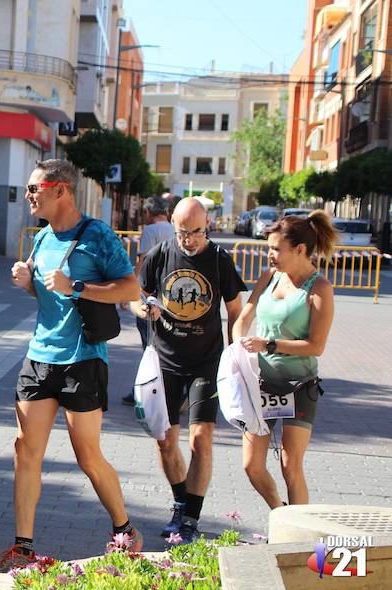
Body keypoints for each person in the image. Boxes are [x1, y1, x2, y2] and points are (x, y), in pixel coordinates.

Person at [0, 159, 142, 575]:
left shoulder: (98, 235)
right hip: (40, 357)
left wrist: (77, 286)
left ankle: (125, 530)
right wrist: (27, 282)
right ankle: (22, 547)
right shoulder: (40, 238)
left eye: (36, 188)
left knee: (87, 454)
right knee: (25, 452)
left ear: (61, 190)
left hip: (83, 360)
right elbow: (47, 297)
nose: (29, 194)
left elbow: (130, 288)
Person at [130, 197, 247, 543]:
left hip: (205, 362)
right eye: (183, 232)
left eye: (195, 232)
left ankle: (191, 518)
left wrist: (234, 357)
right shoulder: (161, 254)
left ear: (206, 225)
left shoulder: (219, 260)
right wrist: (143, 310)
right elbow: (135, 296)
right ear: (172, 224)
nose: (188, 240)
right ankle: (180, 501)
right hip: (164, 361)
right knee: (165, 441)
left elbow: (235, 310)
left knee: (201, 439)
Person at [233, 211, 337, 509]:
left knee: (290, 465)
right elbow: (243, 319)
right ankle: (281, 514)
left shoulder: (319, 288)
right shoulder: (269, 277)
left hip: (299, 387)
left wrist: (270, 344)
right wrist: (238, 348)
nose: (270, 255)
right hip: (260, 385)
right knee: (252, 466)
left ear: (299, 250)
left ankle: (299, 537)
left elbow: (316, 346)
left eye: (276, 249)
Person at [121, 195, 175, 405]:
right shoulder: (173, 228)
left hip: (150, 293)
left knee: (148, 345)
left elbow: (143, 261)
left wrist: (132, 290)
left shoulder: (151, 231)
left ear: (148, 213)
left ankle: (145, 391)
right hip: (170, 294)